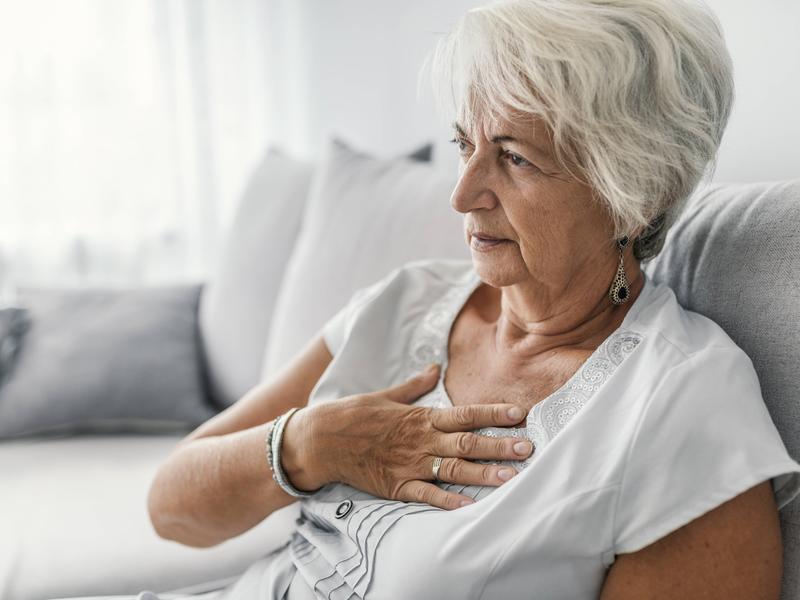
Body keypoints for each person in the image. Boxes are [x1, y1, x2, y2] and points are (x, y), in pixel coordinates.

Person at [61, 0, 800, 599]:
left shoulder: (681, 407)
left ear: (634, 193)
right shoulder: (406, 302)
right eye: (463, 144)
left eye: (514, 158)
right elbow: (172, 508)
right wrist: (311, 444)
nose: (462, 194)